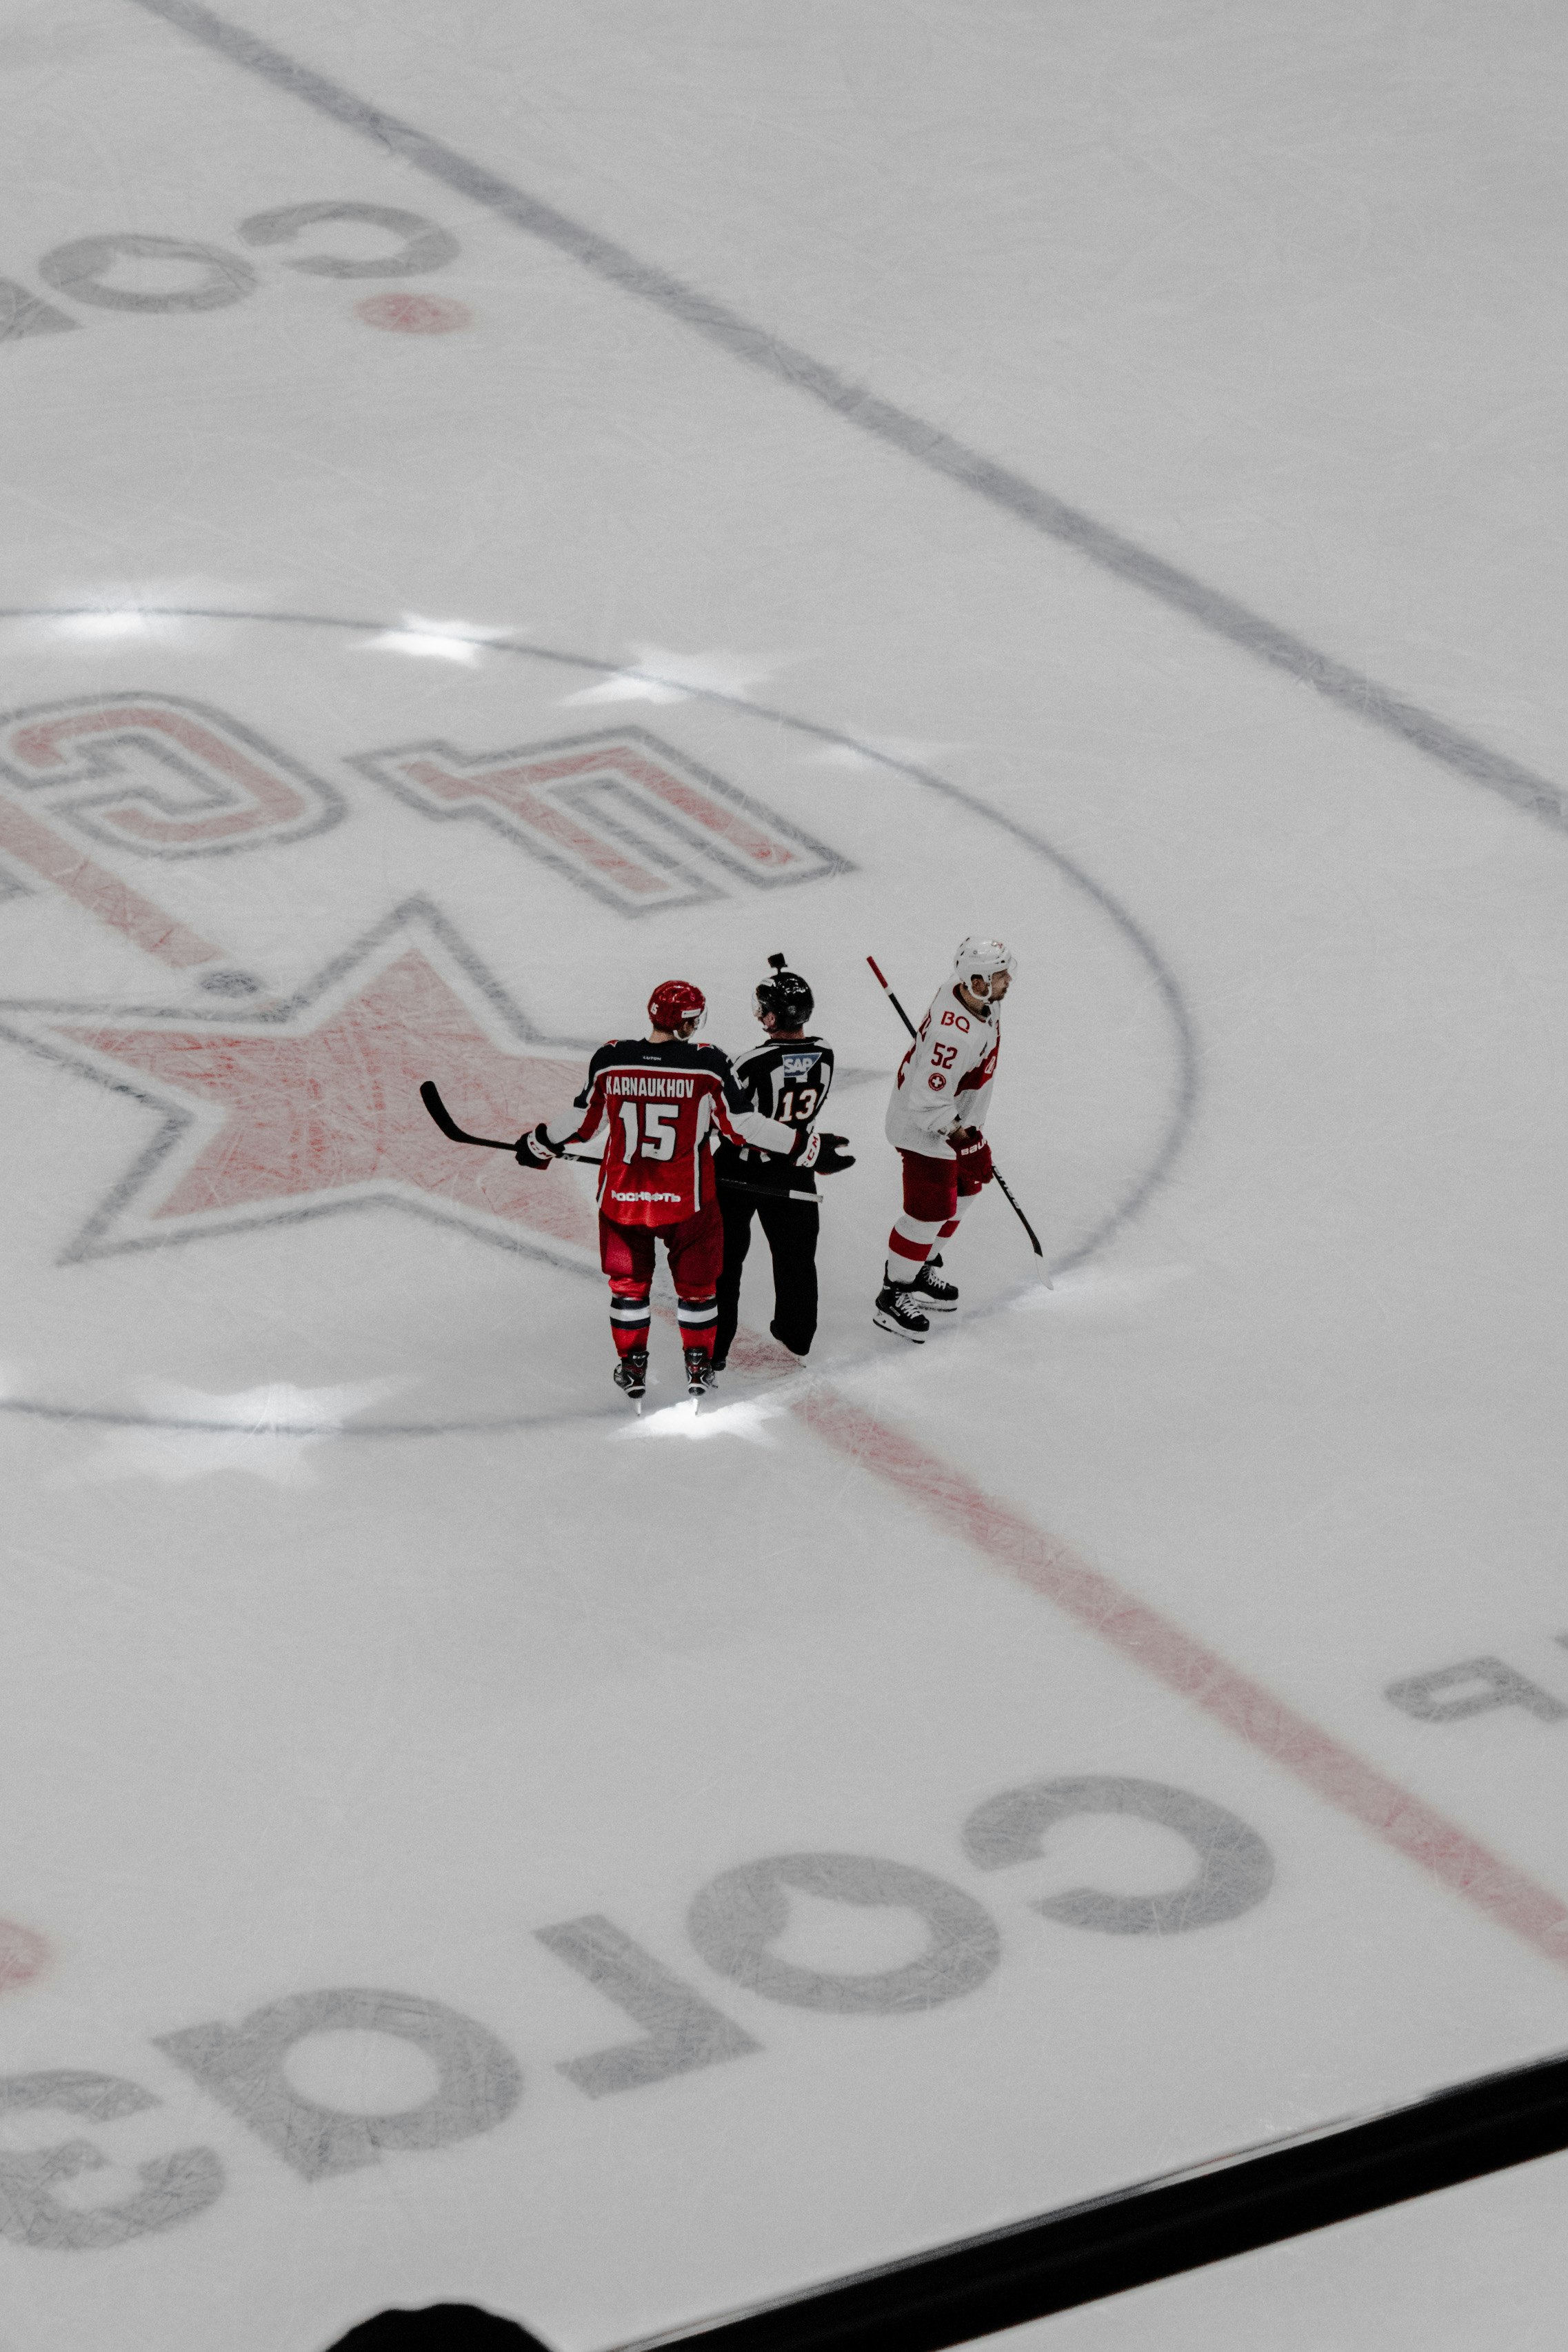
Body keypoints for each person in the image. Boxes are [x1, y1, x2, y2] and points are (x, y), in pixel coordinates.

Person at [516, 980, 852, 1400]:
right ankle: (701, 1360)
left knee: (629, 1287)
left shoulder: (611, 1059)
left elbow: (583, 1124)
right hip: (687, 1199)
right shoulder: (709, 1064)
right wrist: (808, 1147)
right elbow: (742, 1127)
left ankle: (633, 1363)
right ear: (687, 1022)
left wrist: (540, 1142)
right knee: (703, 1285)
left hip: (624, 1200)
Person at [712, 953, 850, 1373]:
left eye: (765, 1010)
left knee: (725, 1262)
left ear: (774, 1017)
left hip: (738, 1170)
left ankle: (715, 1348)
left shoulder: (750, 1062)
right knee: (796, 1258)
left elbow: (733, 1124)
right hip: (795, 1168)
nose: (761, 1017)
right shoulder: (826, 1054)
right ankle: (796, 1335)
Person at [874, 936, 1016, 1342]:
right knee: (929, 1212)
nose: (1008, 980)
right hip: (925, 1129)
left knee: (968, 1187)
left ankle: (920, 1267)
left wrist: (969, 1137)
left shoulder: (978, 997)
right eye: (999, 974)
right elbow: (926, 1102)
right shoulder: (952, 1037)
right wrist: (964, 1140)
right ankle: (893, 1294)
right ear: (977, 981)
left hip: (957, 1120)